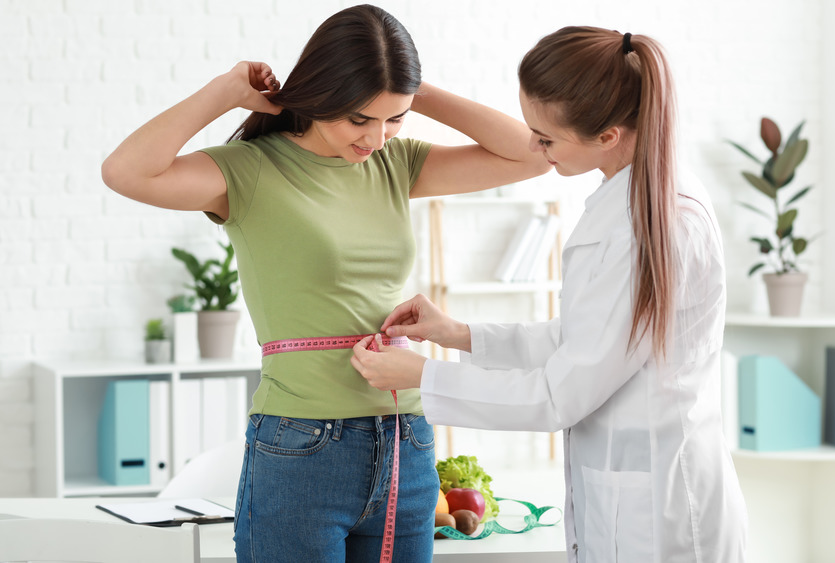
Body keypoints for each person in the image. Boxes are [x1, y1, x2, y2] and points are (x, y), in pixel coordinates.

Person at [102, 5, 550, 563]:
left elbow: (534, 156)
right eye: (359, 119)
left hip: (405, 438)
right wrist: (224, 92)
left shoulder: (396, 163)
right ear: (320, 96)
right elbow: (126, 172)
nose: (376, 138)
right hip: (301, 446)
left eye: (394, 120)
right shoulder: (248, 170)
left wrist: (412, 91)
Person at [351, 26, 748, 562]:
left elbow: (559, 395)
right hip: (628, 495)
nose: (535, 148)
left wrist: (423, 378)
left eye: (546, 138)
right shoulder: (627, 198)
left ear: (607, 135)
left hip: (661, 514)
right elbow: (584, 341)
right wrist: (457, 334)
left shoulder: (658, 222)